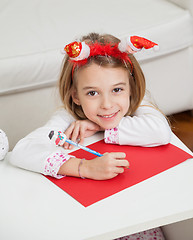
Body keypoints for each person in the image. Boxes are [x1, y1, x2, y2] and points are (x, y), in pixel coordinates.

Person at [10, 32, 170, 240]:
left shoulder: (140, 103)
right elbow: (23, 151)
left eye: (117, 89)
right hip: (88, 222)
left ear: (130, 88)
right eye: (92, 93)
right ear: (75, 95)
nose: (107, 104)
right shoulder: (66, 118)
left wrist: (98, 125)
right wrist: (84, 167)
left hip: (136, 216)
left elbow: (160, 131)